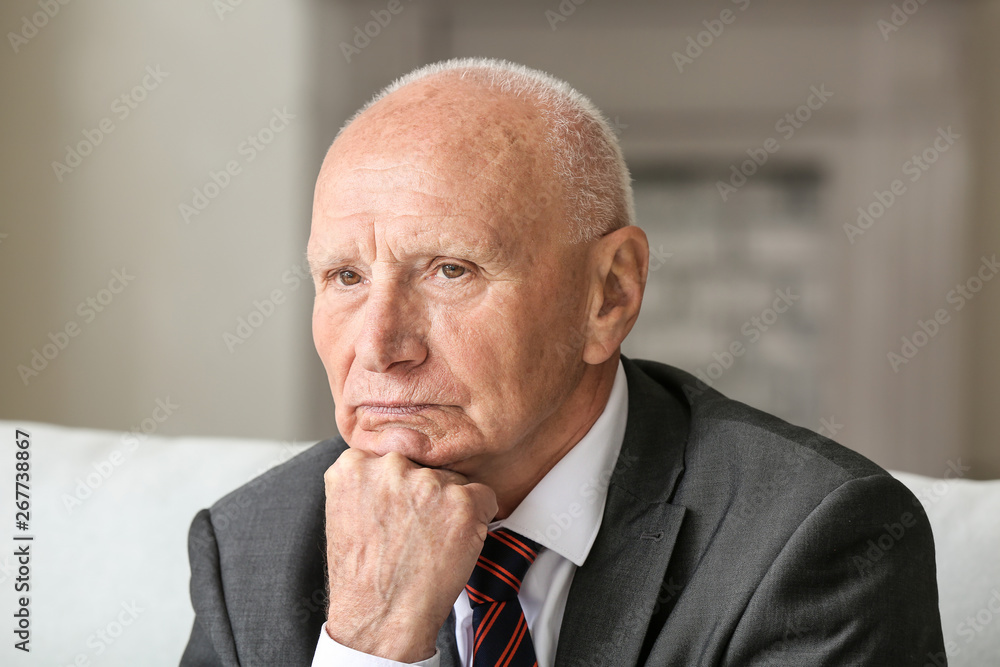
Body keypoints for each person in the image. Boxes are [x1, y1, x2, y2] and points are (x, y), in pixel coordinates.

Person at [181, 58, 946, 666]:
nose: (380, 346)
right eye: (345, 277)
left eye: (450, 269)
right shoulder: (254, 546)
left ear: (609, 294)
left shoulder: (814, 543)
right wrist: (369, 647)